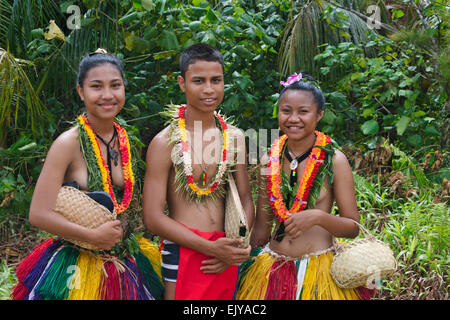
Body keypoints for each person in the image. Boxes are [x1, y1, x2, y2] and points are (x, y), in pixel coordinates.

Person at [11, 49, 164, 300]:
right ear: (81, 91)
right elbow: (38, 213)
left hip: (125, 260)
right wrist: (92, 236)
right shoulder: (67, 144)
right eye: (96, 86)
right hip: (76, 267)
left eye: (115, 85)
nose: (107, 95)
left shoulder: (125, 140)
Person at [235, 73, 374, 300]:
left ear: (319, 114)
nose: (293, 118)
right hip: (272, 269)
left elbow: (353, 227)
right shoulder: (268, 160)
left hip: (318, 271)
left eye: (303, 111)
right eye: (286, 110)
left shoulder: (334, 160)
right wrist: (245, 260)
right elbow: (262, 225)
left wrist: (318, 217)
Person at [143, 43, 254, 300]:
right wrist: (211, 248)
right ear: (182, 83)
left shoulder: (235, 138)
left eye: (216, 80)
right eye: (198, 81)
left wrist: (237, 245)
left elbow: (245, 198)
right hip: (184, 250)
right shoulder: (165, 142)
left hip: (226, 249)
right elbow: (152, 216)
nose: (208, 89)